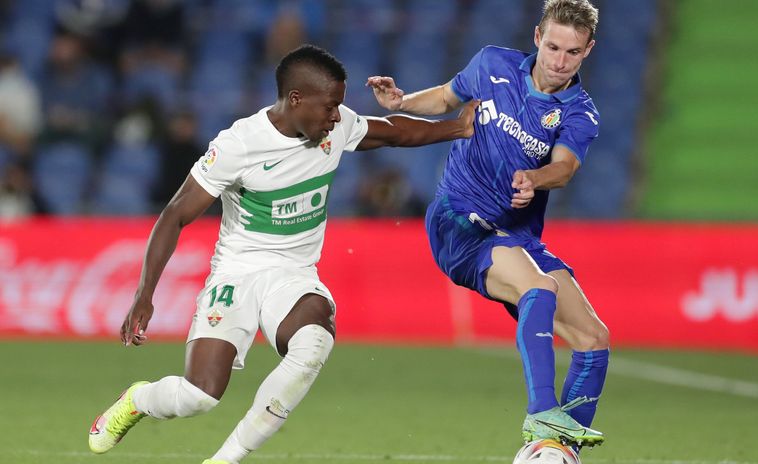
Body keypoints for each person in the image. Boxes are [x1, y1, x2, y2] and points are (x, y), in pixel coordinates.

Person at [88, 44, 477, 464]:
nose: (336, 116)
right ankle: (138, 400)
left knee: (312, 344)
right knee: (199, 395)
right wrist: (145, 294)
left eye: (339, 107)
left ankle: (225, 459)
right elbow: (175, 215)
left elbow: (394, 132)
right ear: (296, 99)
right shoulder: (239, 145)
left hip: (293, 273)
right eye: (329, 106)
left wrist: (457, 128)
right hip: (237, 273)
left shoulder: (336, 127)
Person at [367, 0, 608, 449]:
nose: (558, 61)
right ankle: (541, 415)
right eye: (553, 47)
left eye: (572, 53)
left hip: (514, 235)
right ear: (537, 38)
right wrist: (403, 102)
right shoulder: (493, 64)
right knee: (540, 289)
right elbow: (445, 97)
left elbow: (566, 167)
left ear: (588, 50)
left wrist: (535, 179)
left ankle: (557, 453)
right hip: (458, 221)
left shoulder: (580, 113)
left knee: (593, 338)